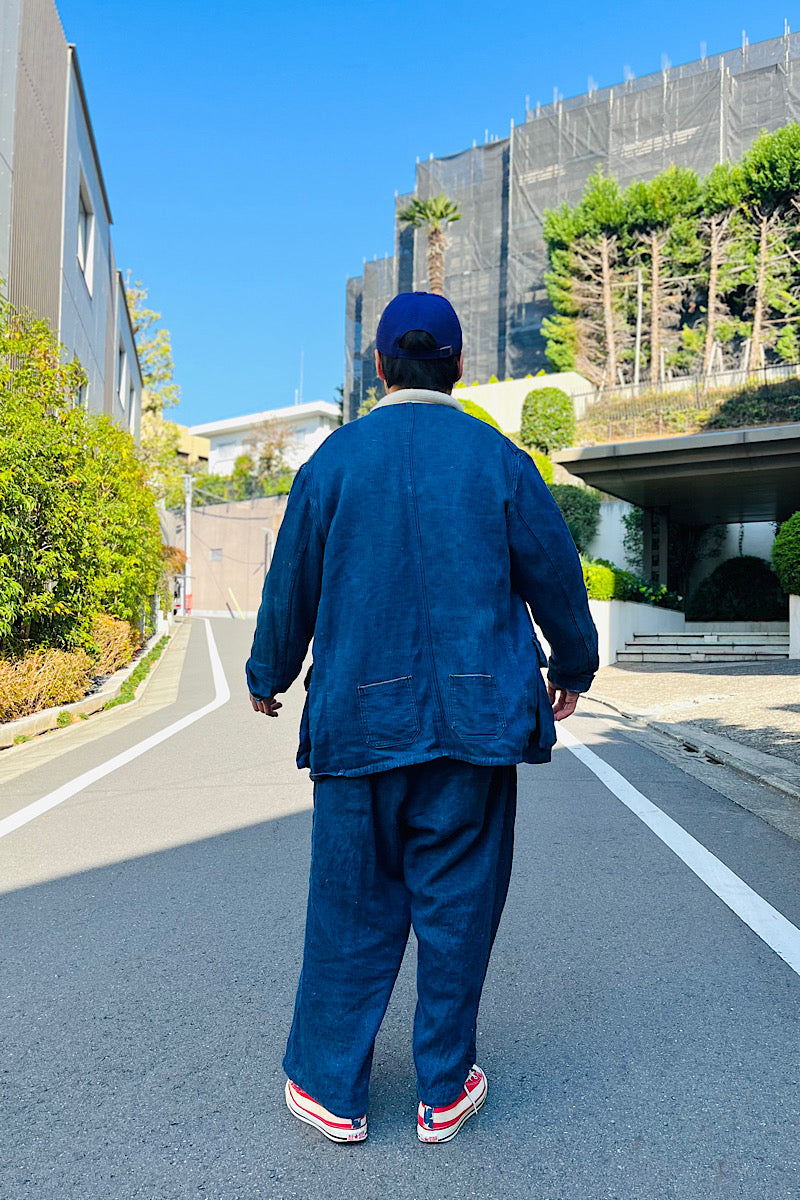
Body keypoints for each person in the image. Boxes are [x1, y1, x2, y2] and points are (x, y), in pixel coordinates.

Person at [246, 291, 598, 1144]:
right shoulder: (501, 461)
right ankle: (444, 1087)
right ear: (459, 366)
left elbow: (290, 581)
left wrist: (269, 672)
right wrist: (573, 667)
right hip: (475, 724)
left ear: (377, 368)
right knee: (459, 905)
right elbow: (557, 577)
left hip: (358, 725)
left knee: (351, 906)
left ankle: (334, 1086)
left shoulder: (330, 464)